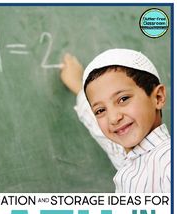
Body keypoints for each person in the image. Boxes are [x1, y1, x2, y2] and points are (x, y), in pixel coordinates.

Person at [60, 49, 170, 193]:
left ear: (158, 97)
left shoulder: (168, 162)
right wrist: (77, 85)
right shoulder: (132, 158)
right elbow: (111, 145)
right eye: (100, 111)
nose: (113, 118)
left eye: (123, 99)